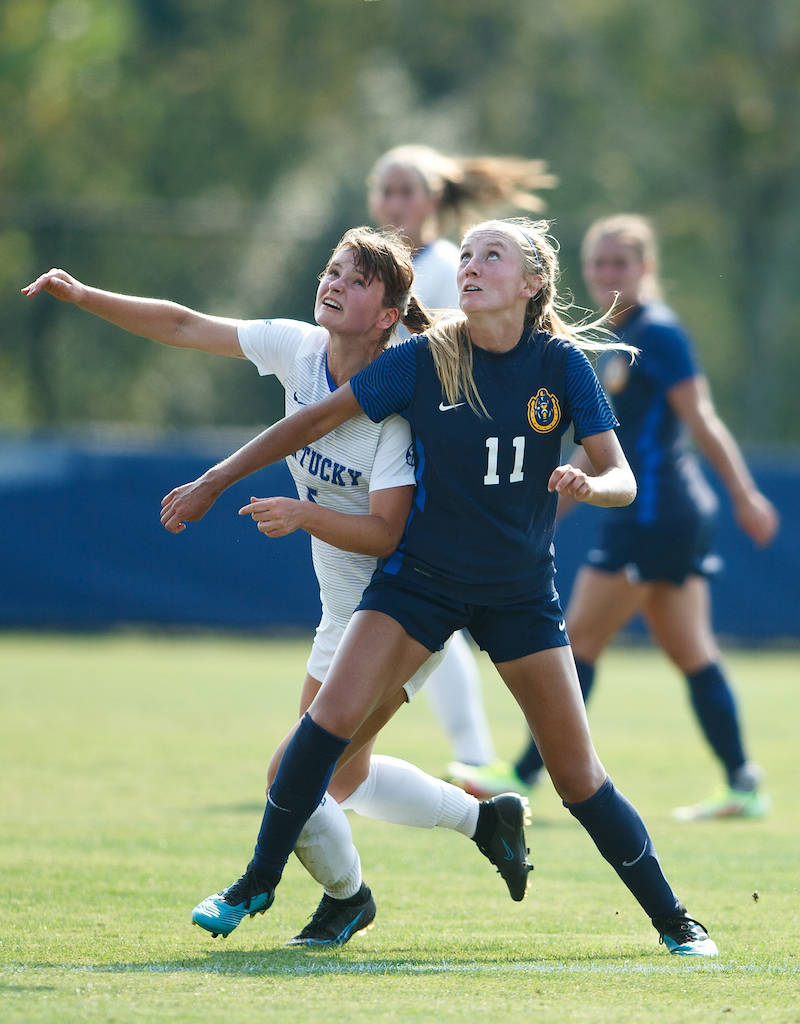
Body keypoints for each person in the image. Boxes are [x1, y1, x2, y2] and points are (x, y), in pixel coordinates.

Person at [165, 217, 719, 957]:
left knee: (577, 776)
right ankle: (255, 883)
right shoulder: (426, 357)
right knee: (325, 725)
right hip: (420, 584)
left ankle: (677, 922)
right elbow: (310, 422)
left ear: (531, 284)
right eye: (465, 255)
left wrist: (593, 484)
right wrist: (214, 480)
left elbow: (622, 475)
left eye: (492, 255)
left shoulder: (560, 364)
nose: (470, 265)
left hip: (520, 595)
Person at [22, 227, 532, 947]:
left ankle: (346, 900)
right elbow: (183, 325)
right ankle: (486, 821)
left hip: (403, 612)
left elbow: (388, 535)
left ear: (388, 316)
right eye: (332, 270)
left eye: (356, 280)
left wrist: (303, 514)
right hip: (341, 614)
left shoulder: (397, 401)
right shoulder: (299, 349)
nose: (334, 283)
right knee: (344, 780)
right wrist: (83, 295)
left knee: (293, 775)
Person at [456, 214, 778, 820]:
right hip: (663, 517)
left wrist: (744, 493)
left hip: (655, 514)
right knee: (690, 649)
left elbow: (702, 418)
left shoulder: (658, 332)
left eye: (620, 263)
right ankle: (744, 784)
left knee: (577, 639)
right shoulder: (613, 339)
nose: (607, 274)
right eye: (598, 263)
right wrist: (540, 516)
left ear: (646, 268)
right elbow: (598, 448)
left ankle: (522, 775)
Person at [367, 143, 557, 773]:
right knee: (401, 612)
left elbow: (463, 360)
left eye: (405, 191)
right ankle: (337, 750)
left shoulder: (449, 265)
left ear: (433, 200)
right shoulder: (375, 268)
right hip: (377, 445)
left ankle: (348, 752)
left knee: (417, 606)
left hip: (429, 457)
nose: (393, 203)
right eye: (385, 190)